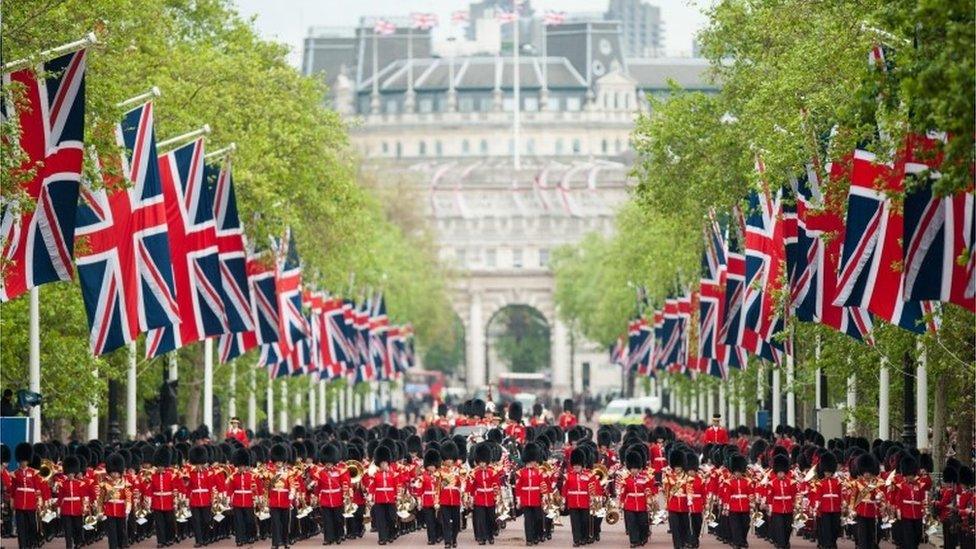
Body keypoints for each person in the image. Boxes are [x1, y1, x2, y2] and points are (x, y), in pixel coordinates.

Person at [618, 449, 654, 548]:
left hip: (642, 504)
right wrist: (621, 503)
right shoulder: (626, 479)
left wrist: (649, 501)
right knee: (632, 523)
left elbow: (648, 490)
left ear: (639, 469)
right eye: (632, 468)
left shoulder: (644, 478)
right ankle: (634, 541)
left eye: (635, 468)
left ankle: (643, 537)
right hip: (630, 504)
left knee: (643, 523)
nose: (633, 470)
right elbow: (623, 492)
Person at [515, 442, 547, 546]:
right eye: (533, 460)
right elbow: (518, 487)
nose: (535, 462)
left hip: (536, 498)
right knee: (528, 520)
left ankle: (536, 535)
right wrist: (519, 500)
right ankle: (529, 539)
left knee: (538, 519)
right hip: (525, 499)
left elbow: (542, 484)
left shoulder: (538, 472)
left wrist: (544, 495)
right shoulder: (520, 472)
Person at [316, 444, 349, 545]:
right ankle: (328, 538)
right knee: (327, 520)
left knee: (338, 519)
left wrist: (346, 496)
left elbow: (345, 484)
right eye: (326, 463)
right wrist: (316, 495)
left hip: (337, 498)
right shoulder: (320, 473)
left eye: (330, 463)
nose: (328, 465)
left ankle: (339, 536)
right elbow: (318, 487)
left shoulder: (340, 471)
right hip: (325, 499)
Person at [226, 448, 260, 547]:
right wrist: (228, 499)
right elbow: (230, 490)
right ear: (237, 466)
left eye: (243, 466)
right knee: (238, 521)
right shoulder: (233, 476)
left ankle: (249, 537)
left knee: (249, 520)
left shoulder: (251, 476)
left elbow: (254, 489)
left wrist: (257, 499)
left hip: (248, 501)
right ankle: (239, 539)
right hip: (237, 501)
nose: (241, 468)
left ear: (245, 466)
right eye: (240, 466)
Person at [468, 442, 499, 545]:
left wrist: (496, 496)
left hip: (490, 498)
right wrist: (471, 498)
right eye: (480, 462)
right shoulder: (474, 473)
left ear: (487, 461)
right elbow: (471, 487)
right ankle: (482, 537)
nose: (481, 464)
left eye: (483, 462)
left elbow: (496, 485)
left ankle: (490, 536)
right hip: (479, 498)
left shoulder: (492, 472)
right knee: (480, 519)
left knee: (490, 518)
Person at [367, 445, 399, 545]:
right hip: (379, 499)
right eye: (382, 463)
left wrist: (398, 496)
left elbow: (397, 485)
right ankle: (382, 538)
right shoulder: (375, 474)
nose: (384, 465)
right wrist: (370, 496)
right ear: (379, 464)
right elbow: (372, 486)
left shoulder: (393, 474)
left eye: (385, 463)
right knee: (381, 519)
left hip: (391, 499)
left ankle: (391, 534)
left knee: (391, 518)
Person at [811, 452, 843, 549]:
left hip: (836, 508)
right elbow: (818, 496)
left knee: (835, 528)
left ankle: (832, 542)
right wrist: (816, 506)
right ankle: (828, 544)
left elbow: (840, 495)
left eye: (829, 472)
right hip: (825, 509)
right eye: (826, 472)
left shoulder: (837, 482)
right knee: (826, 528)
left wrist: (843, 504)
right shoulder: (820, 483)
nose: (827, 473)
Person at [101, 453, 133, 549]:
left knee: (120, 530)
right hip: (110, 510)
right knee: (111, 532)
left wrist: (127, 509)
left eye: (117, 472)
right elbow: (100, 499)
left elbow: (128, 497)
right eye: (112, 472)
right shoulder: (105, 484)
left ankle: (120, 545)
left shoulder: (125, 484)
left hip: (121, 510)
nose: (114, 474)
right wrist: (100, 511)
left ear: (120, 472)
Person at [562, 447, 592, 547]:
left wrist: (593, 499)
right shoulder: (568, 476)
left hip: (584, 502)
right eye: (575, 466)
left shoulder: (588, 476)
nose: (576, 467)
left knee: (584, 521)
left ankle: (584, 538)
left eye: (578, 465)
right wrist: (563, 500)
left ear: (582, 465)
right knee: (575, 523)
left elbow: (592, 488)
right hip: (573, 502)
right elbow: (565, 489)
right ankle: (576, 540)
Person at [57, 455, 89, 549]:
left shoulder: (80, 484)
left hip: (77, 509)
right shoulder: (62, 484)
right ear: (66, 473)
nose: (70, 475)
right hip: (66, 509)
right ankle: (69, 546)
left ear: (75, 473)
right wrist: (59, 509)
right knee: (67, 530)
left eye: (72, 473)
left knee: (78, 528)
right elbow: (60, 497)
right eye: (69, 473)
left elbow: (83, 497)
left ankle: (78, 542)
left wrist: (85, 507)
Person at [766, 454, 796, 549]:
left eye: (782, 472)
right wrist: (770, 508)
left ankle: (785, 542)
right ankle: (781, 544)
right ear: (776, 472)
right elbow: (770, 497)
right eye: (779, 473)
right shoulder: (772, 483)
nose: (780, 474)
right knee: (779, 527)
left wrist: (796, 506)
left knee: (788, 527)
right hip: (777, 509)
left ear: (785, 472)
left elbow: (794, 495)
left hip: (788, 508)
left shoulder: (791, 482)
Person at [437, 442, 463, 549]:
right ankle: (447, 541)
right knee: (446, 522)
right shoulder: (439, 471)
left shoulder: (459, 470)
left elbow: (463, 484)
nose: (449, 460)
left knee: (456, 522)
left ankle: (454, 539)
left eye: (451, 458)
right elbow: (436, 487)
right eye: (447, 458)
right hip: (444, 500)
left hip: (456, 499)